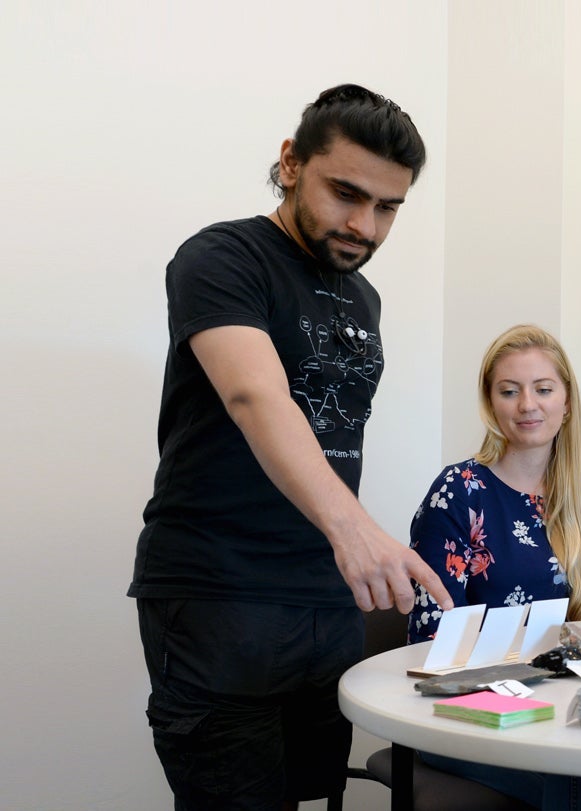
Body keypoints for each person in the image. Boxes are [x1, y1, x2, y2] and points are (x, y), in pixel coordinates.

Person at [128, 84, 453, 811]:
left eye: (388, 207)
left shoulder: (361, 298)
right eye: (346, 193)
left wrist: (347, 554)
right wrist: (357, 530)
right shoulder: (222, 257)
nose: (365, 224)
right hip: (220, 595)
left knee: (311, 797)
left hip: (324, 598)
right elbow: (256, 397)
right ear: (289, 163)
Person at [408, 324, 581, 811]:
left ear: (566, 403)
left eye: (543, 389)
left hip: (561, 708)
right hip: (467, 714)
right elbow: (431, 639)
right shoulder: (458, 493)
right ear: (491, 404)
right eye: (510, 391)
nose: (528, 404)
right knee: (579, 779)